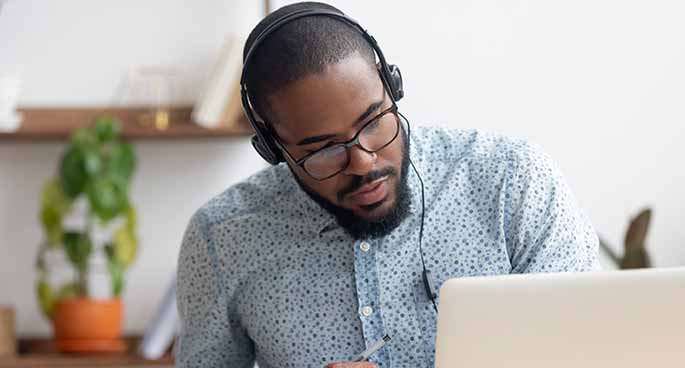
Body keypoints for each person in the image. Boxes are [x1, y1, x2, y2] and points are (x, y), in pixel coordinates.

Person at [176, 2, 600, 368]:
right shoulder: (222, 238)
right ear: (273, 148)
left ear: (391, 86)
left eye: (374, 122)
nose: (363, 163)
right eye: (323, 150)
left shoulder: (513, 183)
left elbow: (595, 353)